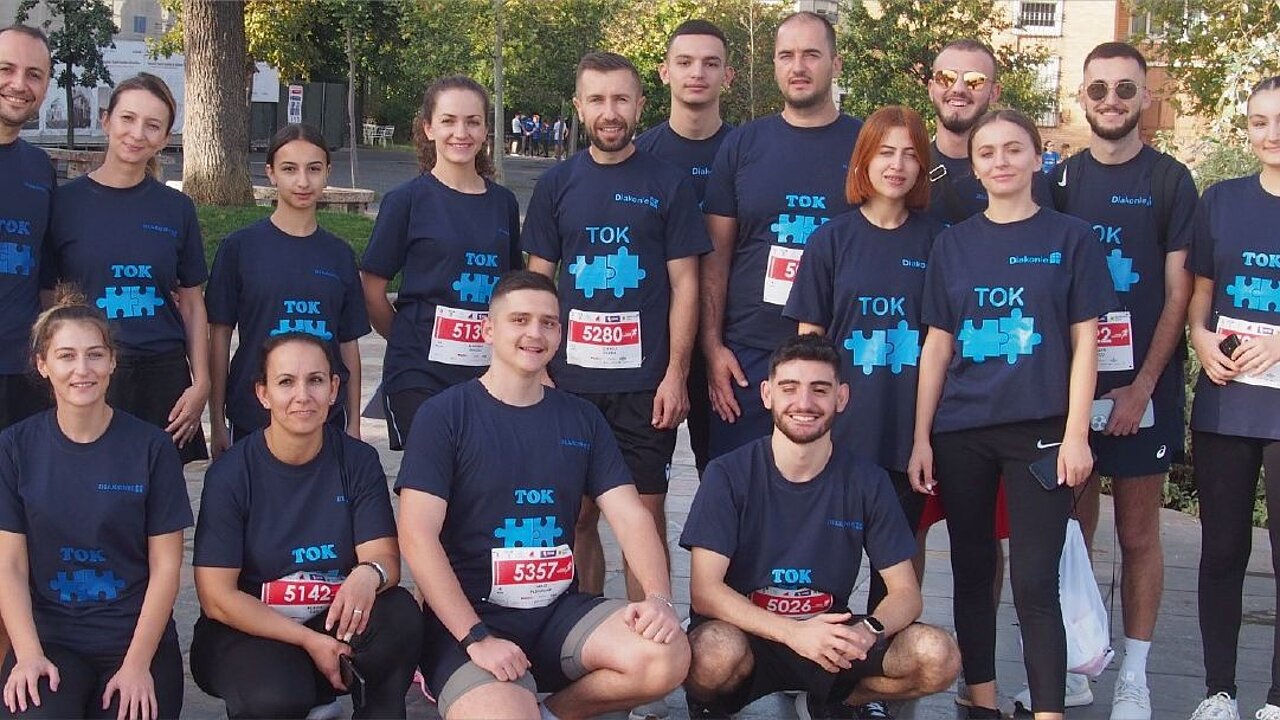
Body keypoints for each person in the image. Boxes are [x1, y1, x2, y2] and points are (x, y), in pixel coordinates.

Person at [396, 270, 689, 720]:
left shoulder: (582, 418)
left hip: (557, 614)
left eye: (548, 322)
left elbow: (631, 516)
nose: (535, 333)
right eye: (520, 320)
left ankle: (553, 712)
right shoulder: (444, 415)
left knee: (666, 656)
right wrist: (476, 637)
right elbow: (417, 535)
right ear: (488, 330)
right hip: (472, 621)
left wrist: (659, 600)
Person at [906, 109, 1117, 720]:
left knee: (1033, 581)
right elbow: (937, 346)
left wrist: (1077, 434)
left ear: (1036, 156)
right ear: (973, 167)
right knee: (973, 571)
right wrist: (921, 437)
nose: (1000, 161)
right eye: (987, 152)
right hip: (962, 431)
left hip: (1042, 432)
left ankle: (1049, 711)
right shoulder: (953, 244)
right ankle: (982, 703)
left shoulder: (1071, 239)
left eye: (1013, 149)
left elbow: (1086, 343)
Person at [681, 334, 960, 720]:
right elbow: (705, 592)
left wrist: (868, 630)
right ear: (767, 395)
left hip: (832, 636)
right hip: (750, 634)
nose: (804, 403)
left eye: (820, 389)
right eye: (789, 388)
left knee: (937, 655)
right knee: (710, 654)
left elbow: (906, 594)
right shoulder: (727, 474)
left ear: (841, 397)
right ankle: (714, 705)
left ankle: (837, 701)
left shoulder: (867, 480)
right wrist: (794, 633)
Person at [524, 51, 709, 620]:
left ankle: (654, 643)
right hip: (570, 385)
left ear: (639, 105)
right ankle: (579, 632)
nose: (610, 112)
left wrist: (676, 373)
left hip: (644, 388)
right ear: (579, 107)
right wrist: (537, 370)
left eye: (621, 99)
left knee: (643, 519)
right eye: (598, 100)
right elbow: (537, 283)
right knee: (577, 516)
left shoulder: (667, 183)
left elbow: (686, 284)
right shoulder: (556, 185)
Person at [1047, 42, 1197, 720]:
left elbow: (1178, 295)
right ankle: (1078, 665)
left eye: (1125, 89)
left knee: (1138, 537)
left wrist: (1141, 388)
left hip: (1143, 389)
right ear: (1082, 96)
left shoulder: (1171, 180)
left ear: (1146, 98)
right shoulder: (1060, 181)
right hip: (1071, 394)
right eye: (1099, 89)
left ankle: (1134, 676)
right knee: (1071, 536)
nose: (1111, 101)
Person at [782, 104, 942, 719]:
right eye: (885, 152)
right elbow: (808, 346)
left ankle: (869, 681)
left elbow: (943, 344)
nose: (896, 165)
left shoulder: (939, 242)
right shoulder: (831, 240)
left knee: (893, 562)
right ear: (863, 162)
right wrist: (806, 426)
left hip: (905, 431)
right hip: (841, 432)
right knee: (824, 556)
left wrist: (925, 436)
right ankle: (809, 669)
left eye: (909, 154)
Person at [190, 333, 421, 719]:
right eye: (286, 382)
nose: (302, 395)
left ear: (333, 389)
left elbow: (384, 558)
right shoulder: (231, 474)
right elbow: (216, 596)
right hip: (250, 628)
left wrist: (369, 573)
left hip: (332, 618)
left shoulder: (358, 461)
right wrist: (307, 641)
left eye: (315, 380)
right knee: (276, 697)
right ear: (263, 394)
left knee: (399, 614)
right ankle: (301, 696)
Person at [0, 287, 191, 719]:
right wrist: (27, 655)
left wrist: (137, 665)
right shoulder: (13, 448)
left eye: (95, 355)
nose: (82, 370)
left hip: (134, 638)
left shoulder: (152, 448)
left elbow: (167, 566)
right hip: (52, 641)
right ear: (42, 364)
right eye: (66, 356)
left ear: (113, 361)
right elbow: (9, 565)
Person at [701, 11, 862, 460]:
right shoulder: (743, 145)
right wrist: (713, 349)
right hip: (749, 356)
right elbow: (715, 259)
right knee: (741, 488)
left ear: (836, 63)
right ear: (773, 64)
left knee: (829, 492)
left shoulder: (866, 145)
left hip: (839, 353)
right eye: (786, 56)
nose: (798, 67)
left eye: (811, 55)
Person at [44, 72, 209, 464]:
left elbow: (191, 304)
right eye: (128, 119)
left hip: (162, 378)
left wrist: (201, 382)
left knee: (159, 492)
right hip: (90, 373)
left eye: (152, 125)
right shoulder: (64, 204)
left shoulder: (176, 208)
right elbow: (47, 298)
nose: (137, 134)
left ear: (165, 138)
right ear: (106, 121)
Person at [1184, 75, 1280, 720]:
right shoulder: (1220, 200)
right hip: (1226, 402)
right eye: (1259, 121)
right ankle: (1219, 691)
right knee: (1221, 551)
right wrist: (1200, 339)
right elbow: (1200, 297)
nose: (1271, 134)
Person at [360, 76, 522, 451]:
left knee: (481, 478)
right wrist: (408, 339)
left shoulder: (504, 203)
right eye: (448, 121)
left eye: (472, 122)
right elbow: (371, 288)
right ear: (429, 128)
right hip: (419, 373)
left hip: (487, 372)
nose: (460, 133)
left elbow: (513, 288)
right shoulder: (406, 201)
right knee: (432, 478)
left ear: (485, 130)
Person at [206, 123, 369, 457]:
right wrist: (217, 420)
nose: (303, 182)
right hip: (254, 416)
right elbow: (219, 337)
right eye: (290, 169)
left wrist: (353, 422)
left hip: (324, 417)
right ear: (271, 173)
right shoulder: (239, 249)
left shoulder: (339, 255)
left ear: (327, 173)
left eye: (314, 169)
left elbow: (348, 344)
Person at [634, 18, 735, 479]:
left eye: (711, 63)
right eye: (685, 62)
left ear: (727, 76)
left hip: (728, 344)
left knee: (725, 478)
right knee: (640, 485)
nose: (697, 72)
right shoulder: (639, 156)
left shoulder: (745, 151)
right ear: (664, 72)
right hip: (654, 346)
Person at [924, 39, 1054, 228]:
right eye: (946, 78)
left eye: (974, 81)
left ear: (994, 93)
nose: (958, 89)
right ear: (931, 89)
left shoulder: (1020, 173)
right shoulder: (909, 168)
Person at [0, 25, 54, 433]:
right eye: (6, 69)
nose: (20, 84)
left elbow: (47, 273)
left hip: (21, 373)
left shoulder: (39, 168)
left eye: (34, 74)